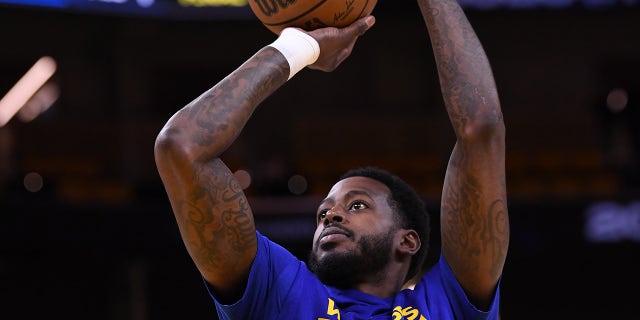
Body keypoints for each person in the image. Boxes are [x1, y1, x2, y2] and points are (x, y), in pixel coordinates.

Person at [154, 0, 509, 318]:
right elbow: (182, 148)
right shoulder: (276, 291)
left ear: (408, 241)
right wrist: (298, 48)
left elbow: (481, 130)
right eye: (323, 213)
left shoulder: (447, 304)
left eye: (357, 206)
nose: (330, 215)